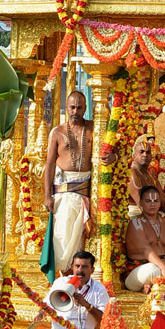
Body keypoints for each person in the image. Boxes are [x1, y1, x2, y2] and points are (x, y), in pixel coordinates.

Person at [43, 91, 114, 278]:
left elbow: (114, 148)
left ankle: (81, 279)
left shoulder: (94, 128)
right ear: (66, 108)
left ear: (85, 108)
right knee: (63, 240)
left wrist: (112, 157)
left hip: (87, 191)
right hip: (63, 193)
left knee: (83, 239)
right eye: (72, 107)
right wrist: (47, 196)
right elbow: (49, 165)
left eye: (79, 107)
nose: (75, 111)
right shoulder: (57, 132)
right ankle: (65, 280)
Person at [128, 134, 165, 228]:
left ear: (151, 156)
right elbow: (141, 203)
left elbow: (164, 203)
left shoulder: (151, 176)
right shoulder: (132, 173)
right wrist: (158, 218)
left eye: (147, 152)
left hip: (151, 210)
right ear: (134, 156)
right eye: (141, 152)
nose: (145, 155)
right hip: (136, 212)